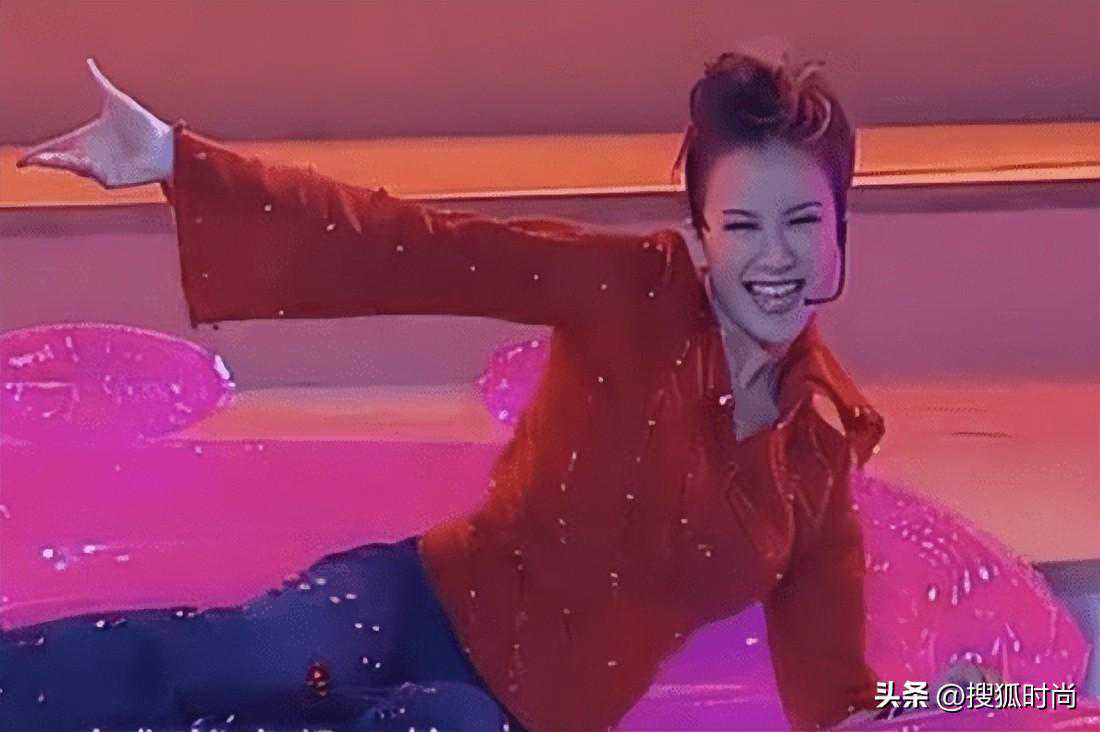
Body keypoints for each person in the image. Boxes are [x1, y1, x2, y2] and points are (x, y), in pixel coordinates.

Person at [6, 52, 895, 731]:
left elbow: (839, 696)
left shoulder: (817, 459)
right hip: (407, 604)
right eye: (742, 225)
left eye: (801, 221)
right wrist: (176, 161)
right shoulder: (633, 292)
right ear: (702, 237)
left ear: (840, 228)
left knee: (437, 724)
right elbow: (422, 247)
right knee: (232, 660)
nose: (774, 257)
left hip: (502, 721)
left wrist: (960, 701)